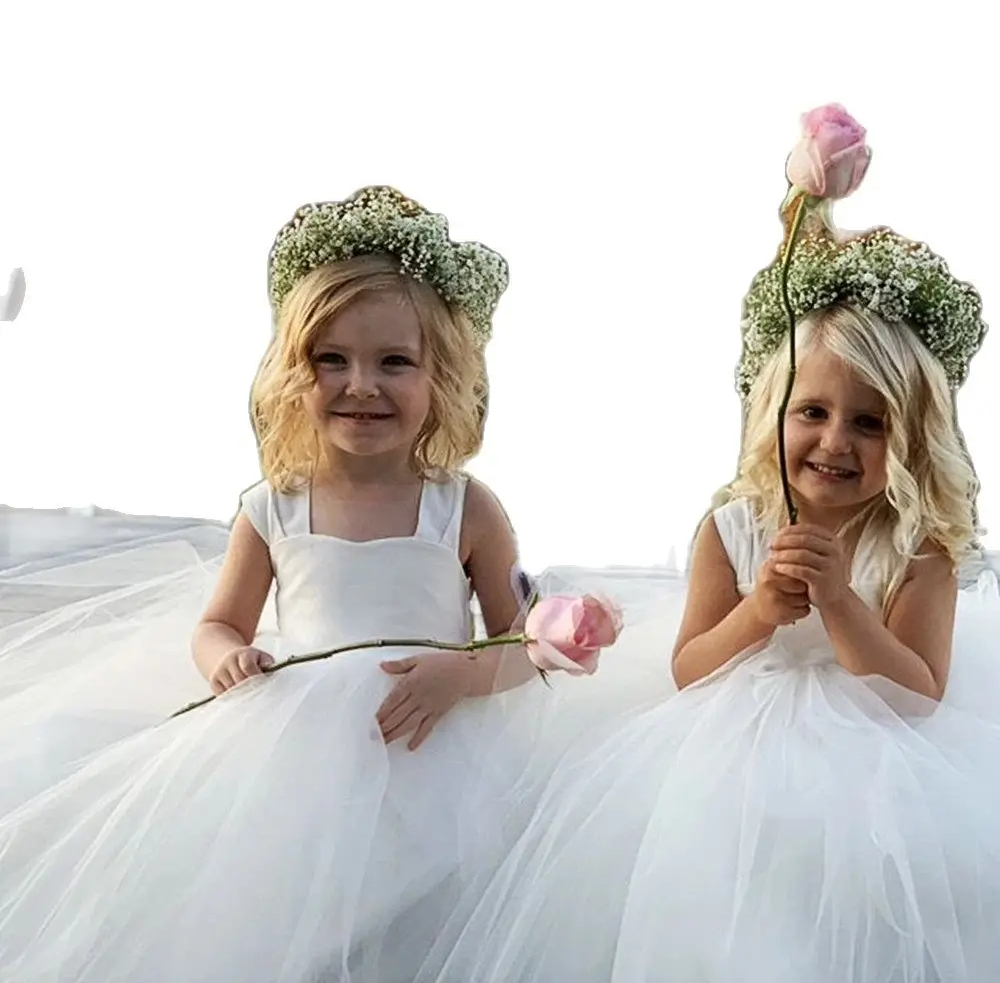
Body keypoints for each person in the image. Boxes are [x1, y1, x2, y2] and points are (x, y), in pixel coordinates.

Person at [414, 111, 1000, 983]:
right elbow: (693, 667)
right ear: (774, 415)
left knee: (874, 909)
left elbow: (917, 695)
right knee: (729, 899)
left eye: (870, 424)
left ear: (913, 439)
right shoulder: (733, 527)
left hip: (881, 773)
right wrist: (765, 608)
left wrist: (840, 601)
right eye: (813, 412)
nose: (835, 442)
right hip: (736, 749)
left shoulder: (919, 550)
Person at [0, 187, 634, 982]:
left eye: (393, 362)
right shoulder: (273, 508)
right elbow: (216, 625)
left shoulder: (464, 507)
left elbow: (523, 646)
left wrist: (462, 673)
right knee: (292, 929)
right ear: (293, 375)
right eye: (330, 360)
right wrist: (226, 659)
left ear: (441, 376)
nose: (360, 384)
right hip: (296, 766)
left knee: (422, 928)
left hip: (441, 756)